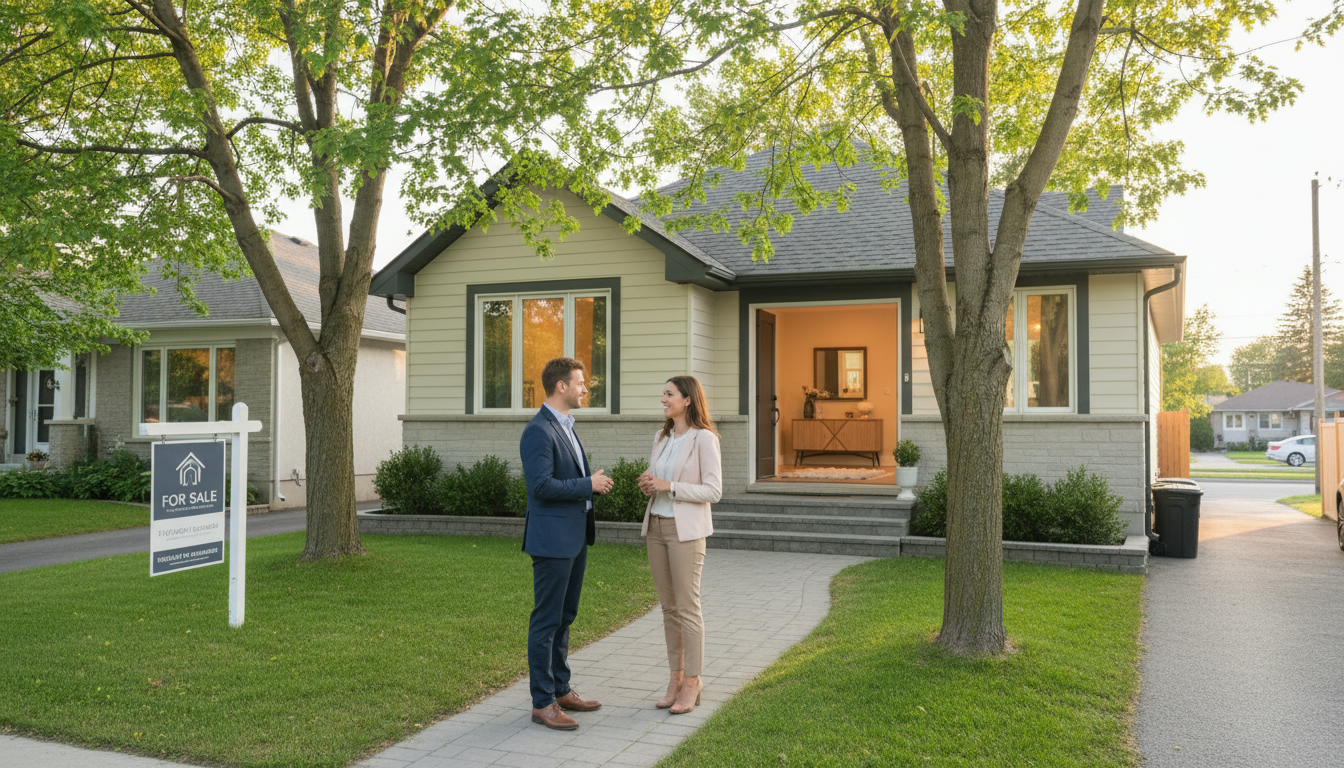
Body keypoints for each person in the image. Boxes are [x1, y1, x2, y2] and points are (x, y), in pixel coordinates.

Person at [520, 357, 614, 730]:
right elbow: (540, 487)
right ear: (561, 386)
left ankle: (561, 689)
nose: (585, 389)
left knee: (565, 617)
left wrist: (586, 482)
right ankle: (542, 702)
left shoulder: (567, 426)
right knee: (546, 621)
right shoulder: (538, 431)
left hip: (574, 539)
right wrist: (587, 484)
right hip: (552, 541)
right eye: (580, 383)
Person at [637, 375, 722, 715]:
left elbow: (713, 490)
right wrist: (650, 483)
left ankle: (693, 680)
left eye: (669, 394)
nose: (663, 399)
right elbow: (658, 477)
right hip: (656, 527)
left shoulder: (705, 439)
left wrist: (669, 485)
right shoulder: (662, 436)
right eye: (663, 394)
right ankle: (675, 677)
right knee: (668, 608)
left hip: (685, 531)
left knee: (687, 608)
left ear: (687, 400)